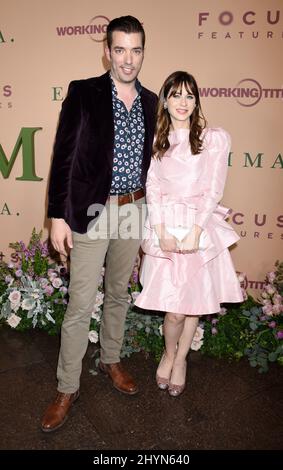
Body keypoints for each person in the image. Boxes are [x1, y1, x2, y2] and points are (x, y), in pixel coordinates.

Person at [41, 16, 157, 432]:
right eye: (120, 49)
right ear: (107, 51)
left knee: (119, 294)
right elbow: (63, 157)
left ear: (144, 52)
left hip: (134, 208)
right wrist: (57, 215)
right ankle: (66, 386)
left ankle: (110, 359)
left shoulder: (152, 101)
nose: (128, 59)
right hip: (91, 211)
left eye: (136, 50)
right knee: (79, 304)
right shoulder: (83, 92)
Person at [135, 71, 243, 397]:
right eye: (176, 95)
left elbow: (214, 188)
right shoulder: (154, 139)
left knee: (192, 305)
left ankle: (181, 359)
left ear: (196, 101)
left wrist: (196, 231)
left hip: (199, 225)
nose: (183, 102)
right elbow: (152, 187)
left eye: (189, 96)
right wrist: (161, 229)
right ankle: (169, 352)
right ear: (165, 101)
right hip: (166, 226)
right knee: (174, 309)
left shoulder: (212, 139)